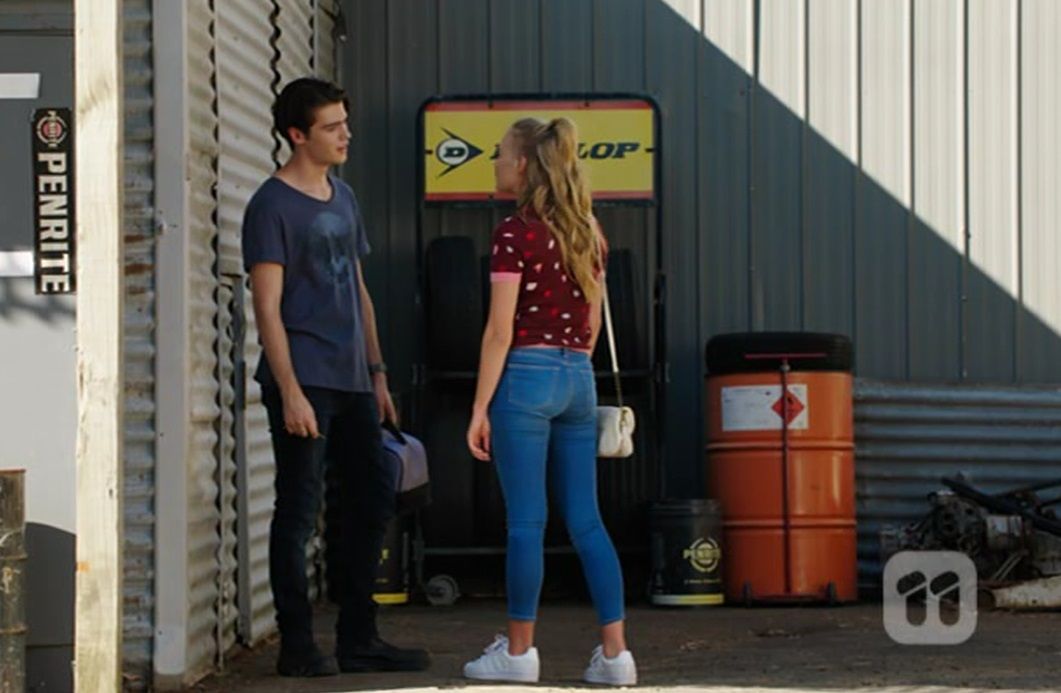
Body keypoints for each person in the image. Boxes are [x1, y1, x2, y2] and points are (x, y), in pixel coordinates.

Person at [242, 77, 429, 678]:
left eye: (345, 122)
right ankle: (297, 645)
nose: (346, 134)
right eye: (332, 126)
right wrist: (290, 390)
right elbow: (266, 307)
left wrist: (377, 373)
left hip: (352, 381)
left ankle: (359, 639)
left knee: (372, 499)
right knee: (299, 511)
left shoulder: (343, 196)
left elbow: (359, 292)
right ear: (297, 135)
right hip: (304, 381)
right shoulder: (271, 206)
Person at [462, 117, 637, 686]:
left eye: (499, 154)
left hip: (526, 378)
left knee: (526, 523)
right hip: (578, 377)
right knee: (587, 520)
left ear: (521, 166)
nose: (494, 162)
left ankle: (519, 654)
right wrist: (570, 366)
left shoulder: (514, 233)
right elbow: (591, 327)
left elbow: (499, 331)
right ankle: (616, 657)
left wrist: (479, 408)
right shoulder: (588, 230)